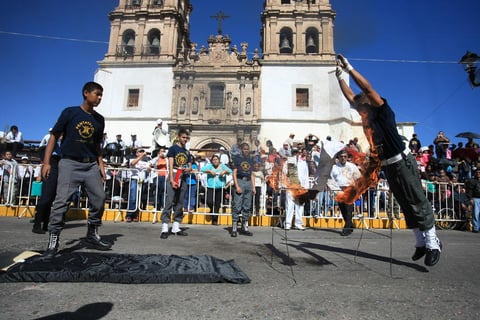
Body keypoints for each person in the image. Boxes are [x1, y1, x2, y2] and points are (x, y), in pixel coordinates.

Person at [335, 53, 442, 266]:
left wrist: (349, 69)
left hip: (402, 162)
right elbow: (349, 96)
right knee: (404, 203)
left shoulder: (383, 110)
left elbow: (367, 90)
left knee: (417, 200)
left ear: (370, 102)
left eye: (362, 101)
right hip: (388, 165)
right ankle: (420, 242)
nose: (357, 103)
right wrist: (338, 77)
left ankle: (433, 243)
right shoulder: (366, 114)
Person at [41, 81, 112, 258]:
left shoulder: (99, 120)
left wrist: (101, 165)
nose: (99, 98)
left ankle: (92, 234)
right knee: (62, 201)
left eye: (101, 95)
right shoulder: (70, 112)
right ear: (86, 93)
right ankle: (53, 240)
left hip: (90, 165)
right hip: (69, 163)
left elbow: (97, 146)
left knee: (100, 198)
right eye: (97, 94)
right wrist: (46, 162)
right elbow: (54, 137)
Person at [160, 127, 192, 239]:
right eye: (183, 137)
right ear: (179, 137)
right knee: (169, 201)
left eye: (186, 138)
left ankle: (176, 226)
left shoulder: (187, 152)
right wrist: (172, 179)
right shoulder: (173, 149)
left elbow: (190, 166)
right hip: (174, 175)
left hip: (183, 177)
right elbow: (170, 164)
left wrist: (187, 169)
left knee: (180, 202)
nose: (185, 139)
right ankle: (164, 227)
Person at [32, 136, 62, 234]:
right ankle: (37, 224)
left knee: (50, 198)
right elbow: (44, 156)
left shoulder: (60, 143)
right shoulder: (49, 140)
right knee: (46, 197)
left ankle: (45, 224)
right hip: (52, 164)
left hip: (58, 165)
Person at [328, 150, 361, 235]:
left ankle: (346, 228)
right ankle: (350, 225)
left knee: (349, 209)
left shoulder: (352, 166)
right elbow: (330, 180)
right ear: (338, 157)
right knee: (343, 209)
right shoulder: (334, 168)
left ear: (347, 157)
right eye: (341, 156)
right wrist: (335, 190)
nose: (343, 158)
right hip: (339, 190)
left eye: (345, 156)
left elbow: (358, 178)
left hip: (349, 190)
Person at [231, 142, 255, 237]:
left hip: (248, 182)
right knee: (237, 205)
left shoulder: (250, 160)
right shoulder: (237, 159)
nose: (246, 150)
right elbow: (234, 173)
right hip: (240, 181)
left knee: (247, 206)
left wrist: (253, 187)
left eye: (247, 149)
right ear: (241, 149)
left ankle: (245, 227)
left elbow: (252, 173)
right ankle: (234, 228)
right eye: (245, 149)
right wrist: (237, 186)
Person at [201, 154, 232, 225]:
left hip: (220, 187)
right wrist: (209, 171)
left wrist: (225, 171)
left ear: (219, 160)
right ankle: (212, 209)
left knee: (217, 204)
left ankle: (215, 220)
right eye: (214, 160)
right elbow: (202, 169)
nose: (215, 161)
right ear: (212, 161)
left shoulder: (223, 166)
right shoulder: (210, 166)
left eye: (216, 159)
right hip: (211, 186)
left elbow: (230, 171)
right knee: (209, 201)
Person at [283, 149, 309, 230]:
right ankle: (288, 223)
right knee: (289, 205)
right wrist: (285, 185)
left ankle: (298, 223)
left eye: (297, 153)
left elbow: (306, 176)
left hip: (300, 187)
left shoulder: (303, 163)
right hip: (291, 186)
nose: (296, 155)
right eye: (294, 153)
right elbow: (284, 174)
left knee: (300, 205)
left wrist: (306, 187)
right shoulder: (288, 162)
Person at [125, 148, 150, 222]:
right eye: (140, 152)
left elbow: (149, 168)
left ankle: (135, 215)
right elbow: (132, 164)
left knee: (139, 198)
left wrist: (149, 168)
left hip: (142, 180)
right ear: (136, 153)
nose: (141, 153)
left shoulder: (146, 162)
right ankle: (129, 215)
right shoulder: (132, 159)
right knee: (133, 197)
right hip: (135, 179)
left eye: (142, 152)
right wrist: (141, 156)